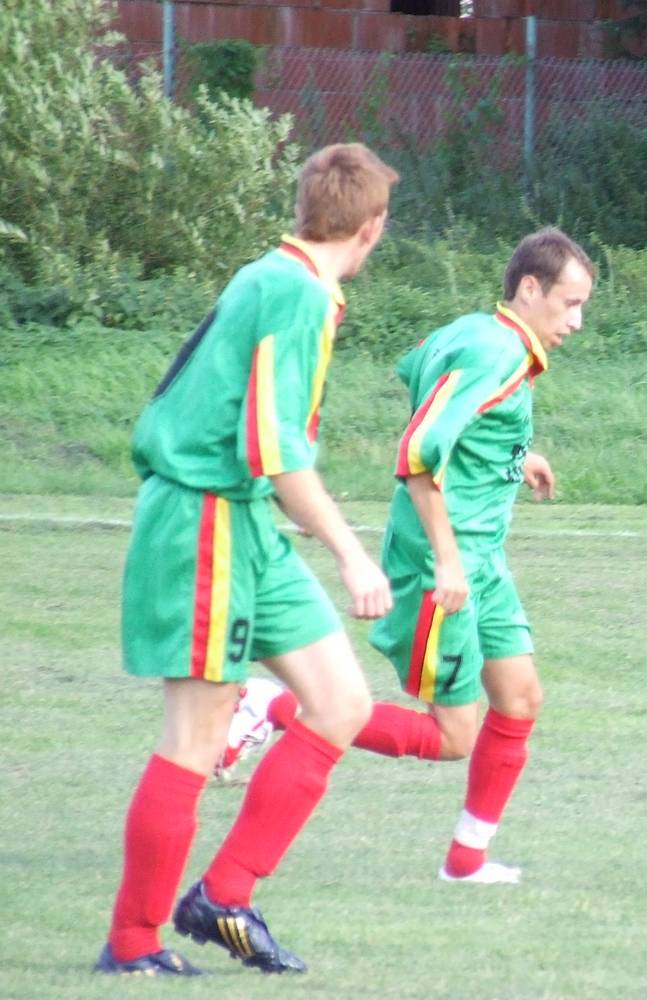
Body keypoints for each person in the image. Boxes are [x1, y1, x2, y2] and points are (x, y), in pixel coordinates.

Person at [94, 143, 398, 977]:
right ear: (371, 227)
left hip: (246, 522)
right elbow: (276, 453)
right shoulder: (295, 293)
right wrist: (353, 556)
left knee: (340, 702)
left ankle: (224, 896)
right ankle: (132, 944)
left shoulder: (280, 275)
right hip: (205, 521)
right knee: (194, 739)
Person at [224, 227, 595, 885]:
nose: (576, 321)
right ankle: (269, 706)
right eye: (569, 304)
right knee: (452, 736)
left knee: (519, 698)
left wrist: (513, 459)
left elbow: (429, 380)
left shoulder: (476, 333)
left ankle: (466, 862)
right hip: (441, 564)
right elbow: (421, 451)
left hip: (483, 561)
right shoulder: (498, 355)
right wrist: (447, 560)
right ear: (529, 288)